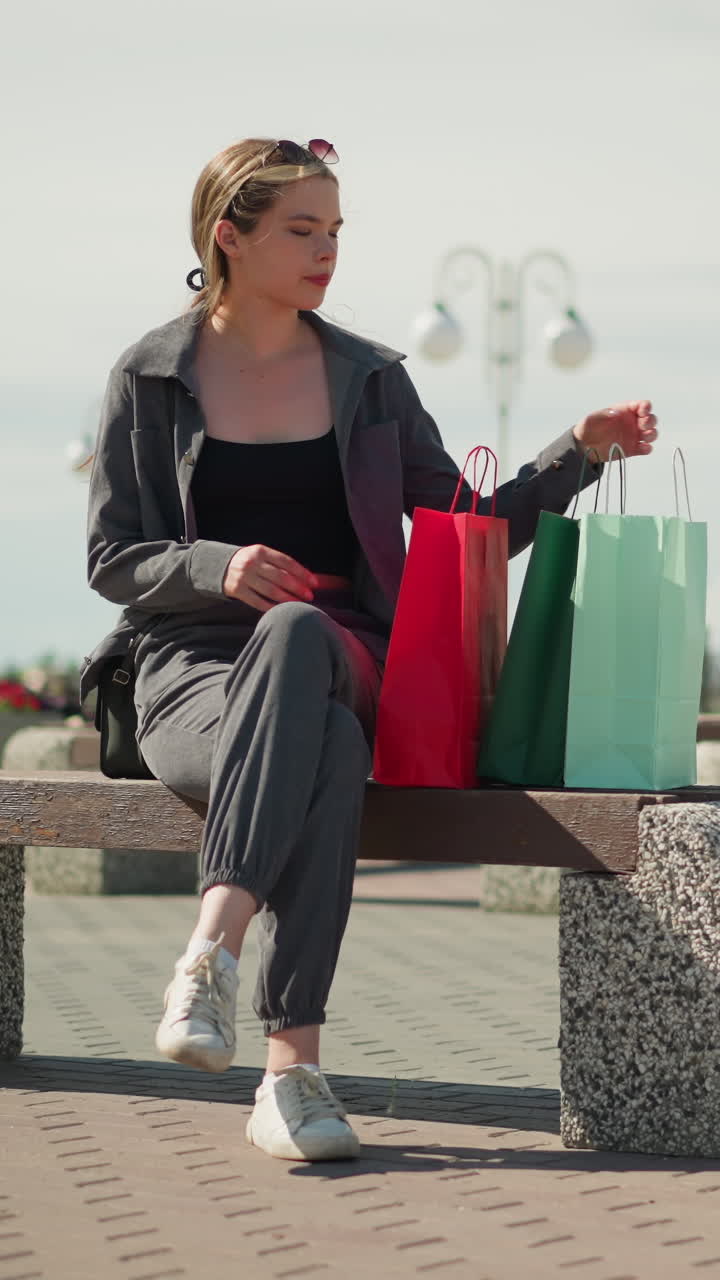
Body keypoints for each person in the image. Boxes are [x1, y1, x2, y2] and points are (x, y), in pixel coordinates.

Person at [81, 136, 658, 1163]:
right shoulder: (152, 375)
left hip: (342, 644)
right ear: (230, 236)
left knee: (299, 632)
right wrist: (219, 567)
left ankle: (211, 947)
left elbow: (467, 522)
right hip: (194, 671)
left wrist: (578, 450)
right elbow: (117, 557)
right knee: (331, 754)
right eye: (301, 229)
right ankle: (290, 1073)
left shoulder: (368, 379)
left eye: (335, 230)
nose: (326, 251)